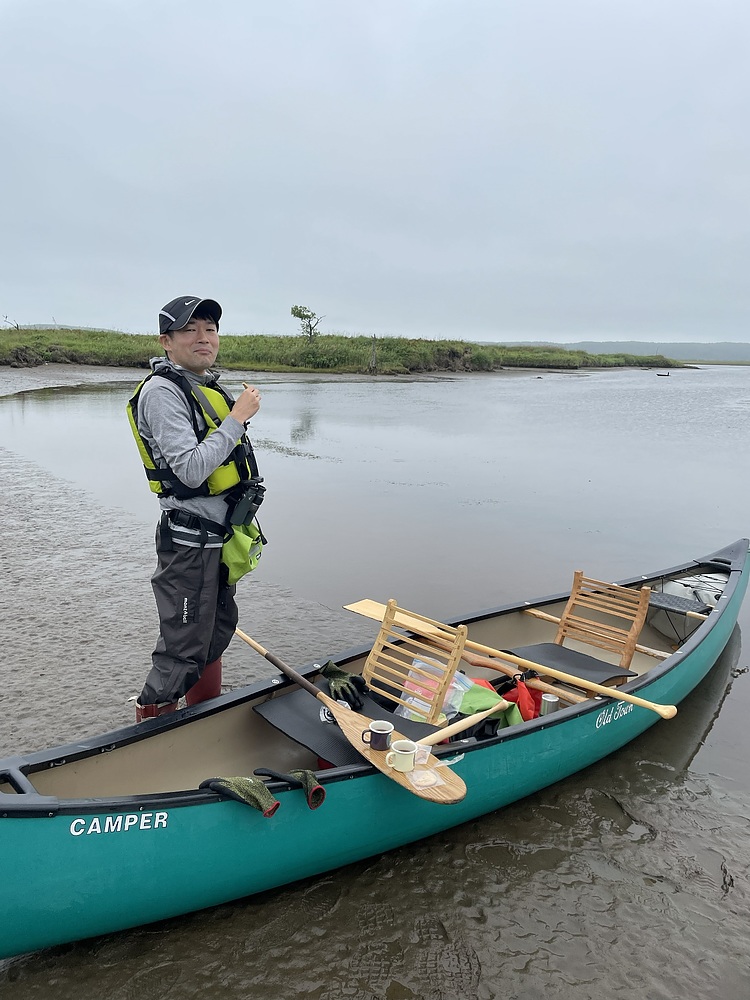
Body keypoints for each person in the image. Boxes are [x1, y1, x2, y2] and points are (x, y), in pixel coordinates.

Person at [127, 295, 265, 721]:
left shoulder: (202, 386)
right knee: (182, 648)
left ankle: (203, 719)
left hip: (218, 538)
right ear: (166, 341)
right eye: (190, 330)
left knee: (213, 635)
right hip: (189, 543)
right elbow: (189, 470)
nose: (203, 338)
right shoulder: (162, 392)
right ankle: (150, 739)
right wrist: (237, 418)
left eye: (210, 329)